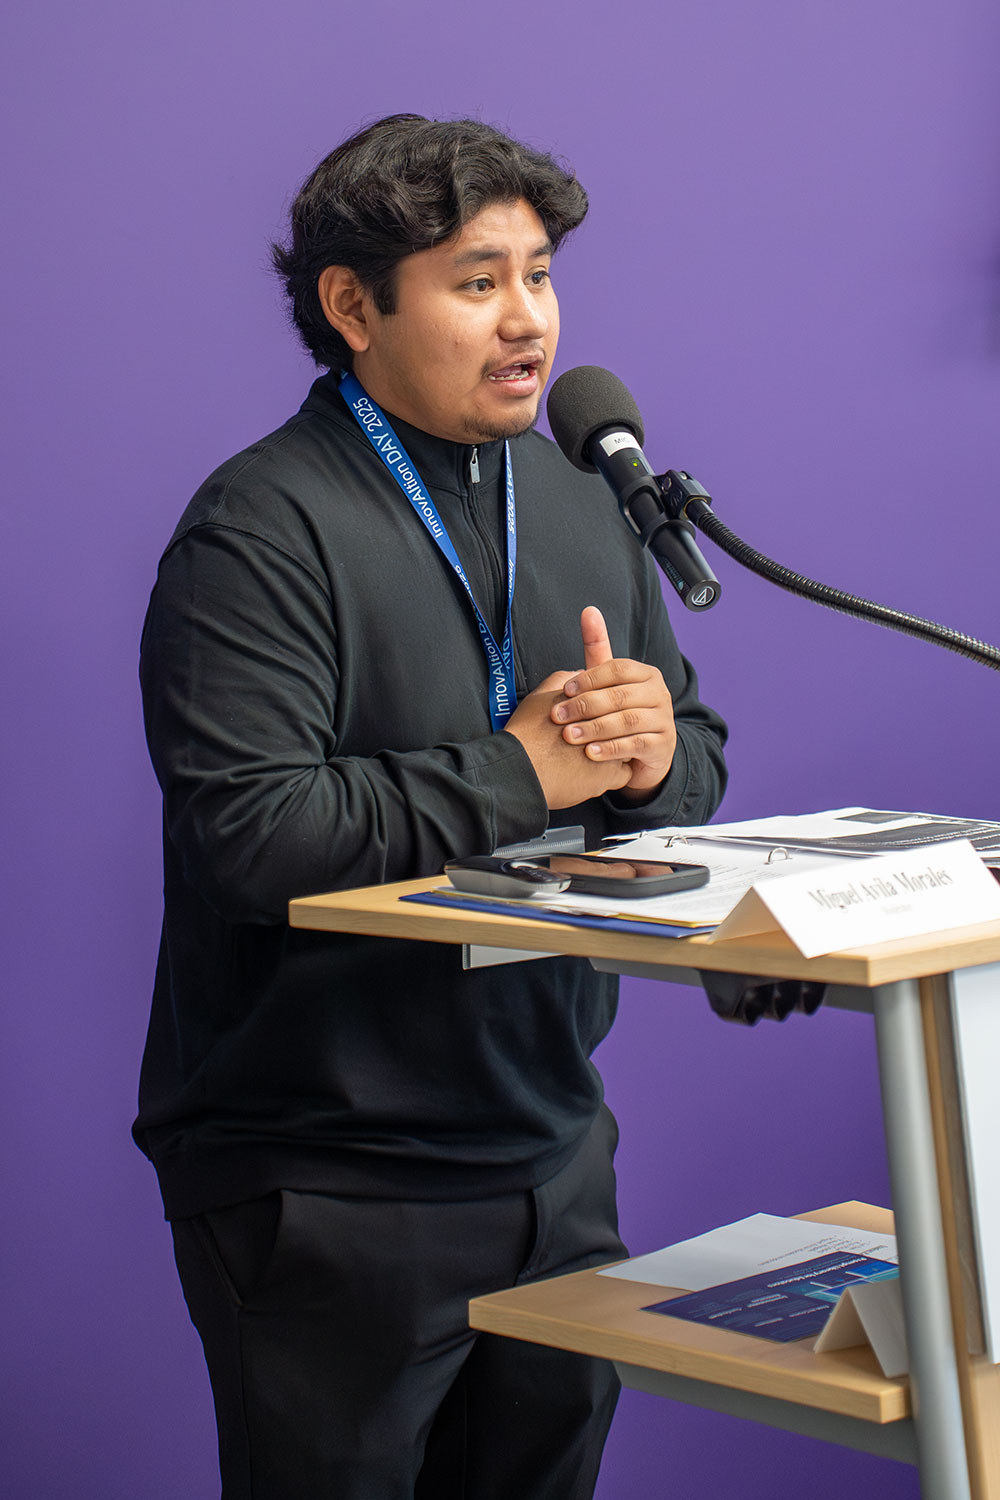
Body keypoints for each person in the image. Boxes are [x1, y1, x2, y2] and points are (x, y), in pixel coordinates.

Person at [135, 114, 728, 1500]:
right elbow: (254, 835)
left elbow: (689, 760)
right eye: (477, 282)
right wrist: (526, 770)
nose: (528, 321)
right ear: (353, 307)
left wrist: (651, 761)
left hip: (554, 1149)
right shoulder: (258, 529)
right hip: (330, 1180)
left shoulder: (582, 495)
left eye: (539, 274)